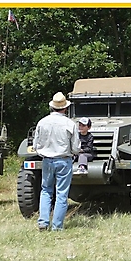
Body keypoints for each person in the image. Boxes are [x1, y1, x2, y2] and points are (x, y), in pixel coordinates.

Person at [33, 92, 81, 231]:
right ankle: (57, 226)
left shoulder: (42, 122)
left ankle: (43, 222)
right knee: (61, 193)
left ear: (52, 107)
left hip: (47, 160)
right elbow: (76, 147)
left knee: (46, 190)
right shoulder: (69, 123)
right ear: (65, 108)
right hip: (64, 160)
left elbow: (36, 145)